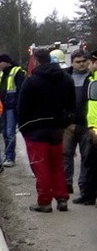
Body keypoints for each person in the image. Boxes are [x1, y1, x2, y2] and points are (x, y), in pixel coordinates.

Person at [17, 47, 76, 212]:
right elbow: (71, 105)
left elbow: (22, 108)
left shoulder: (31, 81)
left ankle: (44, 202)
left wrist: (24, 129)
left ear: (36, 61)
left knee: (41, 167)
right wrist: (63, 123)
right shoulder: (66, 79)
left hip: (35, 130)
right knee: (57, 165)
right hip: (57, 129)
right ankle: (62, 198)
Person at [65, 49, 92, 197]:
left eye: (83, 61)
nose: (81, 64)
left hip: (86, 124)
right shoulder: (65, 78)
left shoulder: (92, 78)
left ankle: (84, 188)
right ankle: (66, 185)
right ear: (72, 63)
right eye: (78, 62)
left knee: (86, 157)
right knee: (66, 155)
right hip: (68, 124)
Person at [74, 51, 97, 206]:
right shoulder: (91, 79)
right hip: (90, 126)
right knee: (90, 162)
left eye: (90, 62)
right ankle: (88, 196)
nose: (87, 64)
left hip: (94, 127)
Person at [0, 54, 26, 166]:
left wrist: (18, 106)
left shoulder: (17, 71)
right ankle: (8, 156)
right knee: (5, 133)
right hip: (2, 106)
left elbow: (21, 90)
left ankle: (10, 157)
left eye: (0, 62)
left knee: (10, 132)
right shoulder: (2, 74)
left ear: (6, 62)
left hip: (11, 107)